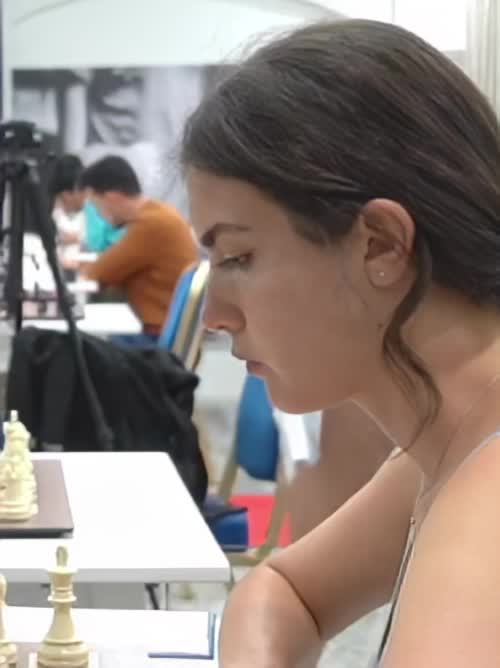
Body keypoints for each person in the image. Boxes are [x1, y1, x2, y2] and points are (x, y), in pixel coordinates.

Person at [181, 18, 500, 667]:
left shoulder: (484, 508)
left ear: (381, 245)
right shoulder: (453, 438)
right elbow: (285, 589)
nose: (215, 316)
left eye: (239, 257)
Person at [77, 155, 198, 339]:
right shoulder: (159, 214)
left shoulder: (150, 225)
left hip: (154, 335)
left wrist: (87, 268)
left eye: (97, 206)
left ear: (112, 198)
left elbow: (98, 273)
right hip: (164, 328)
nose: (99, 216)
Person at [48, 154, 124, 254]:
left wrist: (76, 239)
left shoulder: (97, 205)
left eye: (62, 200)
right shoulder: (92, 198)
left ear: (72, 192)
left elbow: (100, 244)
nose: (62, 206)